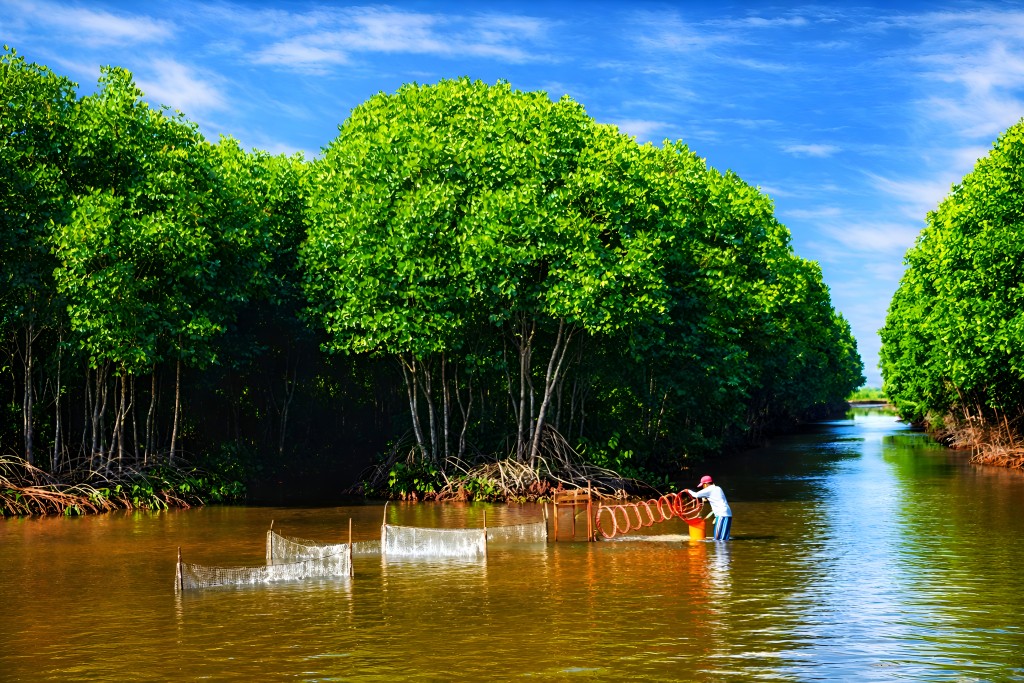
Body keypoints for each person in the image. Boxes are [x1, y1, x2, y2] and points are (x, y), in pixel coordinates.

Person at [685, 475, 732, 540]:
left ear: (706, 484)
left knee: (718, 539)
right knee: (724, 539)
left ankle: (720, 550)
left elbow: (696, 495)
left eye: (703, 486)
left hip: (722, 515)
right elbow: (715, 497)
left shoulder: (709, 489)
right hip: (727, 514)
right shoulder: (718, 488)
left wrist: (688, 490)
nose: (703, 487)